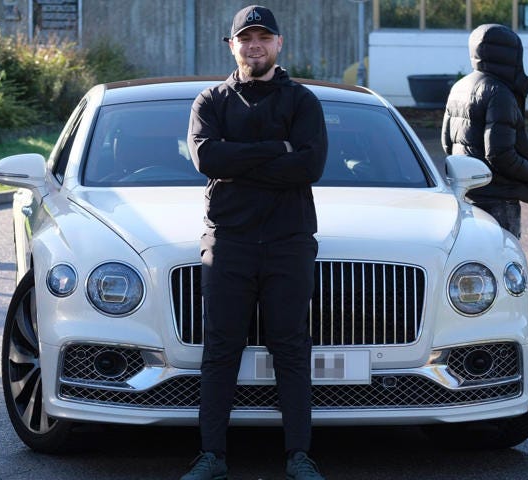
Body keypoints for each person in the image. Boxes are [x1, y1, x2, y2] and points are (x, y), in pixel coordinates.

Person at [184, 5, 327, 480]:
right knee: (221, 348)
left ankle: (299, 456)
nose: (255, 45)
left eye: (264, 37)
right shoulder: (210, 101)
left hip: (289, 241)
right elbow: (207, 158)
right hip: (229, 241)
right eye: (246, 38)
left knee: (290, 347)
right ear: (232, 46)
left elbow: (310, 167)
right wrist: (278, 150)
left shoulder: (302, 101)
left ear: (279, 44)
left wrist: (238, 160)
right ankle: (211, 456)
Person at [441, 23, 528, 239]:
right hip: (499, 197)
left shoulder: (459, 86)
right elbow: (499, 154)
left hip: (466, 194)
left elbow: (447, 143)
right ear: (512, 55)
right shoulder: (499, 92)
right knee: (504, 261)